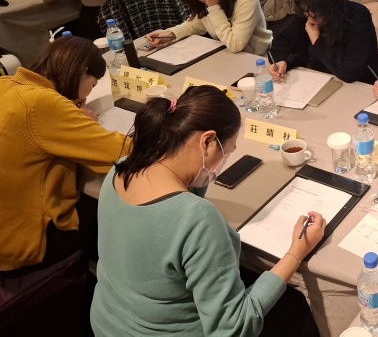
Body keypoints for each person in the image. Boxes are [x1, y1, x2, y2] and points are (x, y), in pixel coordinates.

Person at [90, 85, 326, 335]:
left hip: (107, 324)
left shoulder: (122, 168)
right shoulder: (196, 218)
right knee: (296, 310)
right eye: (228, 151)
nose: (223, 163)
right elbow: (235, 327)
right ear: (208, 141)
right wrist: (296, 252)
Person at [0, 36, 129, 334]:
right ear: (83, 71)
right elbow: (120, 153)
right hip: (21, 243)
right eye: (92, 84)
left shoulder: (8, 84)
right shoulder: (43, 104)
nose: (89, 93)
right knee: (113, 209)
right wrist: (86, 122)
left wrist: (70, 109)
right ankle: (116, 302)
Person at [268, 0, 378, 84]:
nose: (311, 20)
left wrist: (317, 42)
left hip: (359, 85)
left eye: (317, 15)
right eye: (307, 14)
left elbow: (349, 71)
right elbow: (282, 42)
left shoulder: (358, 16)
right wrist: (282, 60)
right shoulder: (308, 12)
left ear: (330, 8)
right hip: (318, 80)